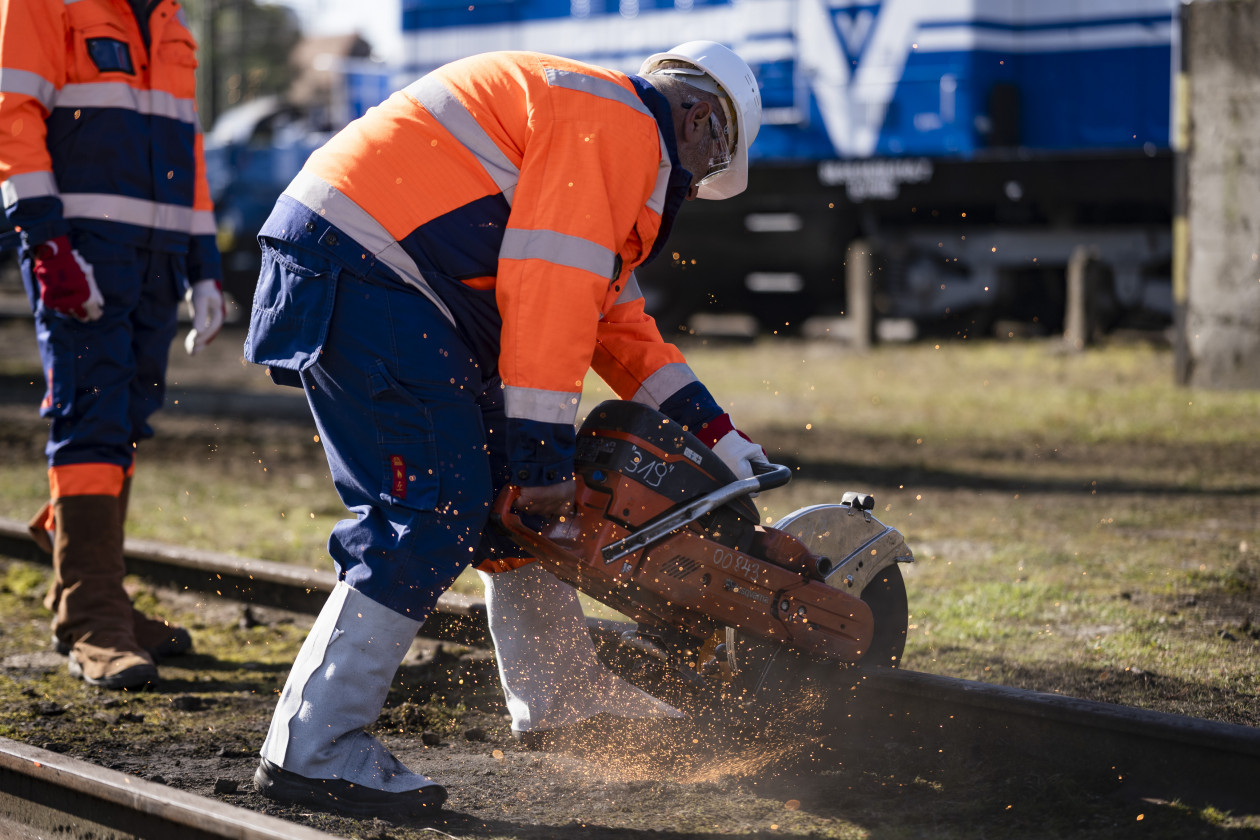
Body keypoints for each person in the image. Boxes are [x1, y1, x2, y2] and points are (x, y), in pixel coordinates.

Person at [243, 42, 767, 816]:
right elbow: (550, 295)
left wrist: (719, 435)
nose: (694, 181)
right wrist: (541, 455)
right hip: (370, 269)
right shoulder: (618, 129)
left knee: (497, 504)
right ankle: (314, 748)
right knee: (436, 505)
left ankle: (562, 696)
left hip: (374, 266)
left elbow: (613, 323)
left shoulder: (599, 120)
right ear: (697, 118)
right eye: (710, 157)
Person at [0, 0, 225, 690]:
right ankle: (93, 619)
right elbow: (10, 115)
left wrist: (203, 261)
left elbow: (187, 144)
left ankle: (90, 588)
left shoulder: (172, 21)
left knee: (125, 424)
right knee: (92, 421)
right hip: (83, 247)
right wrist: (47, 244)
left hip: (155, 257)